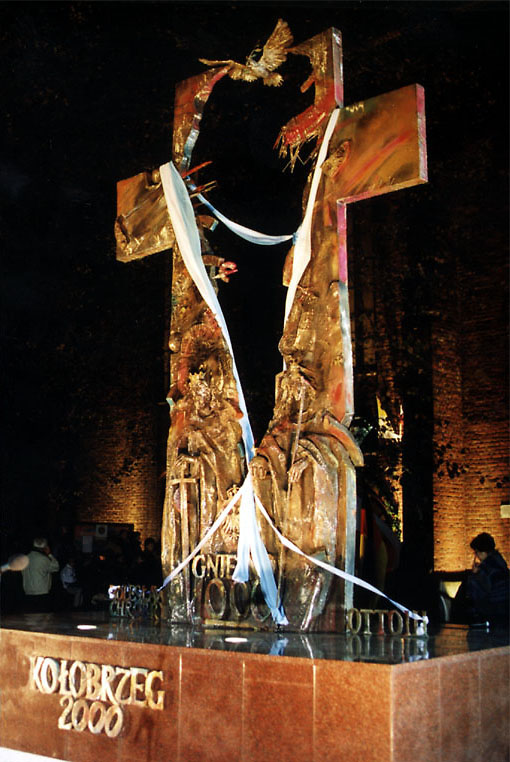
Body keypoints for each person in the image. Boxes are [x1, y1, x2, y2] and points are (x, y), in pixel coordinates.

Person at [465, 533, 509, 627]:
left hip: (491, 612)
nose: (476, 556)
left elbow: (477, 594)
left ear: (483, 552)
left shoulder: (485, 570)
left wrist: (475, 575)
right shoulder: (501, 564)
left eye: (476, 552)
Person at [22, 537, 60, 612]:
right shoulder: (44, 559)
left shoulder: (25, 558)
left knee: (31, 616)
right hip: (41, 592)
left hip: (28, 591)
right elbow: (56, 567)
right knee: (43, 617)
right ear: (45, 547)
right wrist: (49, 554)